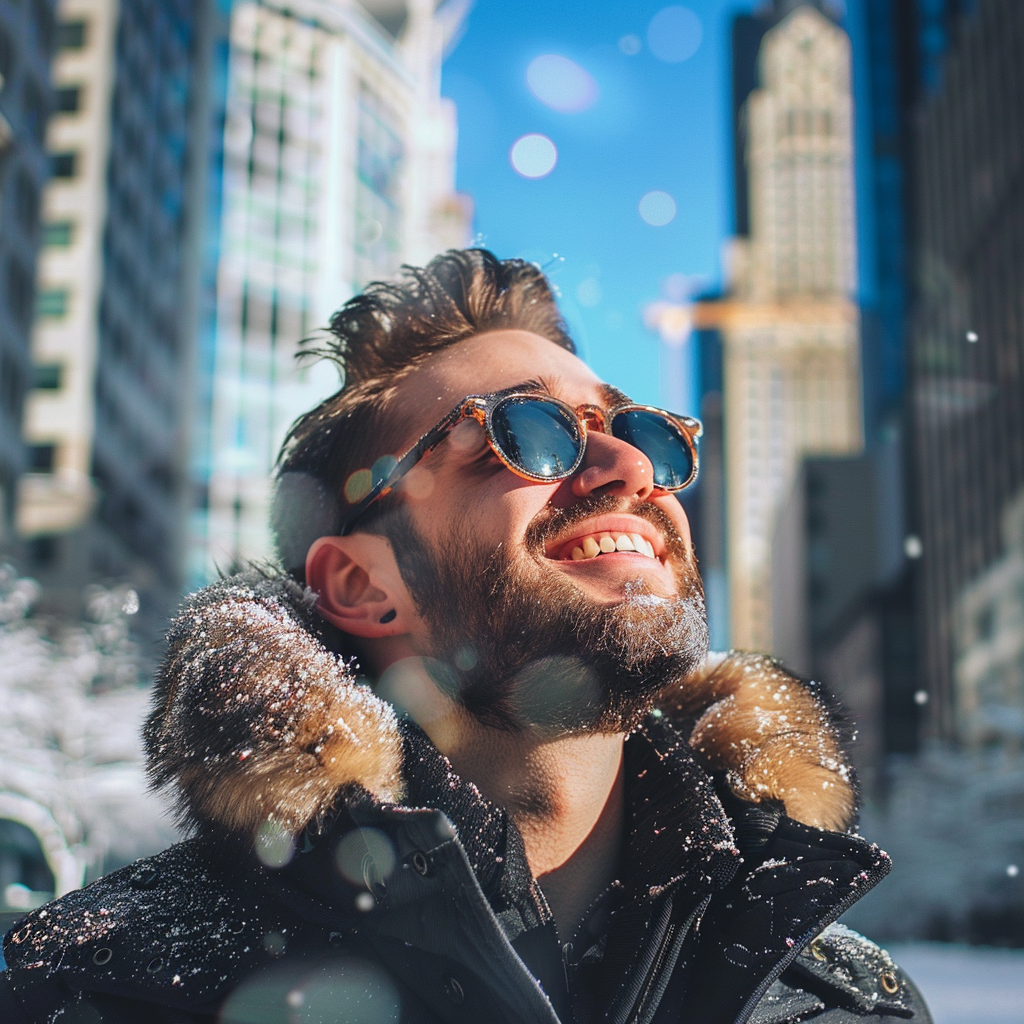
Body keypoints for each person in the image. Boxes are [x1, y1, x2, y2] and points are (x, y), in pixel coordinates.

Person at [1, 250, 931, 1024]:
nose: (631, 466)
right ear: (364, 584)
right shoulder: (99, 986)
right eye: (527, 431)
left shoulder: (854, 1004)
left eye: (638, 427)